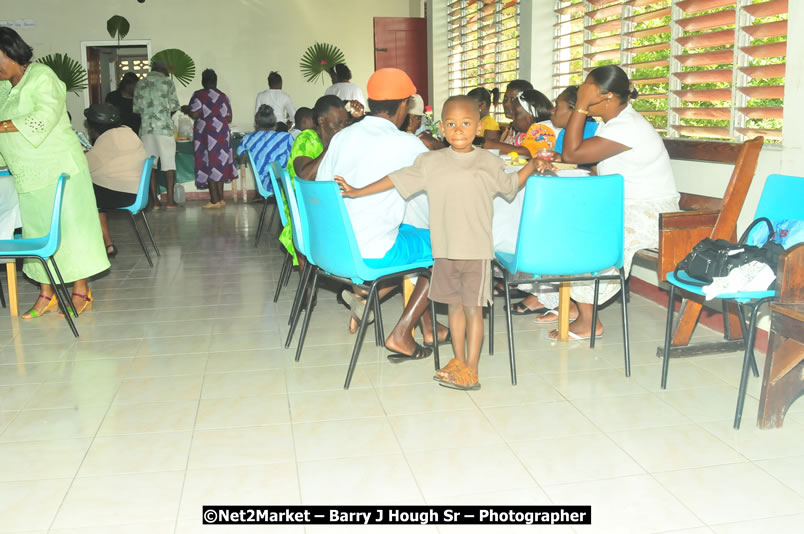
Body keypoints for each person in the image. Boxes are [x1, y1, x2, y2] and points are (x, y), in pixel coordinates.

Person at [335, 96, 541, 390]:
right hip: (443, 251)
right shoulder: (430, 162)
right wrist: (357, 191)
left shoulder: (488, 161)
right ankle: (459, 361)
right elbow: (395, 179)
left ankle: (472, 369)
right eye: (452, 124)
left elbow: (510, 186)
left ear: (478, 127)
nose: (459, 130)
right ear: (442, 129)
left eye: (466, 123)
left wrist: (532, 165)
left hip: (476, 252)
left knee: (473, 311)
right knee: (454, 309)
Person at [529, 65, 679, 340]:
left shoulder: (627, 126)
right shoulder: (613, 124)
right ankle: (575, 305)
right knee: (566, 222)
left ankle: (589, 322)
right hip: (628, 205)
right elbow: (592, 161)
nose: (581, 92)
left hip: (651, 213)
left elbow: (573, 152)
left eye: (587, 89)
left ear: (606, 96)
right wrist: (566, 159)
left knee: (588, 236)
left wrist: (581, 106)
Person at [317, 68, 448, 360]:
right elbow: (437, 189)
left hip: (334, 249)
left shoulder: (342, 137)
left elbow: (322, 187)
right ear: (403, 106)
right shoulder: (406, 143)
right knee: (445, 246)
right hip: (369, 253)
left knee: (416, 238)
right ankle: (402, 333)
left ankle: (429, 328)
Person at [0, 27, 109, 318]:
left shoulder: (41, 76)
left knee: (71, 231)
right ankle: (46, 294)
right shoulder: (3, 88)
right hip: (28, 174)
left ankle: (81, 292)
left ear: (10, 52)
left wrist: (2, 126)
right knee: (36, 233)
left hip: (61, 170)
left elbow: (43, 117)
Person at [84, 103, 148, 257]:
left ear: (94, 126)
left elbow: (85, 166)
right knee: (93, 192)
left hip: (123, 194)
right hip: (137, 192)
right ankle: (108, 245)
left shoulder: (108, 139)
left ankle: (91, 247)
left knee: (83, 193)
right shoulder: (128, 132)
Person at [181, 69, 237, 209]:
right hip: (222, 134)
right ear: (216, 81)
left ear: (203, 81)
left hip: (206, 134)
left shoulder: (199, 95)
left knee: (209, 165)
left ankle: (214, 200)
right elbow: (229, 118)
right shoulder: (223, 96)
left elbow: (194, 114)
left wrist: (187, 110)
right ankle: (221, 199)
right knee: (219, 164)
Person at [133, 60, 181, 209]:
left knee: (150, 165)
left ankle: (155, 202)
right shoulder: (167, 82)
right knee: (169, 164)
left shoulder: (140, 84)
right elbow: (174, 106)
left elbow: (136, 109)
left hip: (146, 130)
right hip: (164, 129)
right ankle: (170, 201)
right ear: (164, 70)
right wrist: (165, 117)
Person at [237, 104, 294, 199]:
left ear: (256, 125)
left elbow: (240, 156)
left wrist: (253, 153)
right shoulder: (285, 138)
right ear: (275, 124)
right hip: (284, 184)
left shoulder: (247, 139)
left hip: (263, 185)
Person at [483, 79, 532, 157]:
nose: (506, 103)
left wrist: (491, 145)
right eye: (505, 98)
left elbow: (530, 152)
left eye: (513, 99)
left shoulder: (535, 130)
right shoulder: (510, 129)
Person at [552, 86, 599, 157]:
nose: (552, 111)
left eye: (557, 106)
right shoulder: (564, 132)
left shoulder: (593, 132)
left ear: (574, 109)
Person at [511, 89, 557, 157]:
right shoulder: (526, 132)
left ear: (531, 116)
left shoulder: (543, 129)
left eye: (516, 114)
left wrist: (493, 145)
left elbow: (526, 152)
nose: (512, 117)